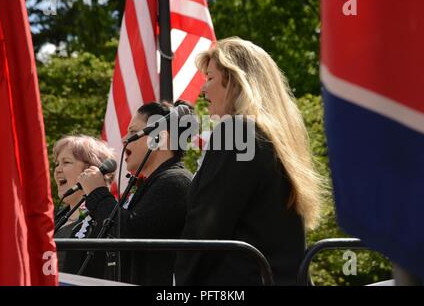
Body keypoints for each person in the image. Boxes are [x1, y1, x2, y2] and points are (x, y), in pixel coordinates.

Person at [174, 37, 324, 285]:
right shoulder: (277, 136)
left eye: (210, 78)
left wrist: (178, 287)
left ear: (234, 81)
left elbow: (206, 226)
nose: (203, 90)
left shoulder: (236, 132)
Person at [77, 100, 193, 285]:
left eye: (133, 131)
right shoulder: (157, 182)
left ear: (159, 137)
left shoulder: (175, 182)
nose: (124, 139)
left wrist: (98, 193)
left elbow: (130, 233)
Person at [53, 135, 116, 279]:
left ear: (92, 170)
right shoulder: (51, 219)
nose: (57, 170)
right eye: (57, 164)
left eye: (66, 162)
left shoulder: (106, 219)